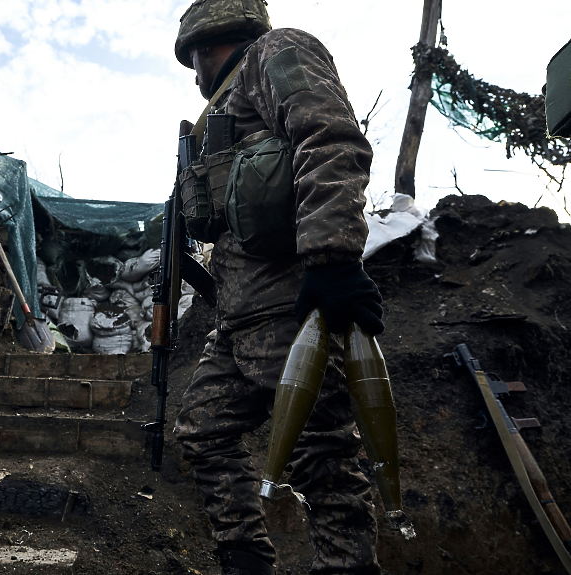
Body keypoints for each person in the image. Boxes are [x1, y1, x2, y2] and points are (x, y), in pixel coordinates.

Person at [171, 1, 385, 574]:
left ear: (209, 40)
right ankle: (246, 561)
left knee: (323, 454)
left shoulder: (277, 53)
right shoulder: (218, 113)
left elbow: (330, 139)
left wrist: (333, 258)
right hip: (239, 319)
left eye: (194, 57)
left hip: (291, 307)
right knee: (202, 428)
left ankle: (346, 567)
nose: (193, 74)